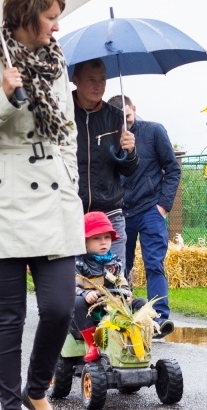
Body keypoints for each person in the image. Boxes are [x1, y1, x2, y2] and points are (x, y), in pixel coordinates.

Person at [0, 0, 85, 410]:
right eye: (51, 17)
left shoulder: (57, 64)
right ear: (28, 16)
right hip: (2, 202)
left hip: (53, 194)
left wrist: (69, 176)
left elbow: (67, 130)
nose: (57, 26)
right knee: (9, 317)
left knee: (60, 307)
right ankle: (12, 403)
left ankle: (36, 388)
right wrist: (4, 97)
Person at [107, 95, 180, 338]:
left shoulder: (154, 131)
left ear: (134, 110)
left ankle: (159, 319)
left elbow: (173, 168)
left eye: (128, 117)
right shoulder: (108, 139)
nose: (125, 123)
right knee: (119, 267)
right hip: (122, 210)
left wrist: (163, 206)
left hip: (151, 208)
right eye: (119, 120)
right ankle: (121, 315)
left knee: (154, 264)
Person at [71, 59, 138, 264]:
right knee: (75, 281)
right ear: (75, 80)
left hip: (109, 215)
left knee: (114, 279)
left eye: (102, 79)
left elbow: (128, 170)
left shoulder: (116, 118)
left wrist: (130, 151)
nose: (98, 85)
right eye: (91, 79)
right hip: (72, 215)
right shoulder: (61, 113)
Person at [73, 211, 146, 362]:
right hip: (89, 307)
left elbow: (120, 279)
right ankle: (93, 344)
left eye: (107, 237)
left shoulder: (114, 261)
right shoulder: (79, 262)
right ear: (84, 241)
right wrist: (85, 294)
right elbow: (72, 284)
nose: (103, 242)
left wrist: (125, 292)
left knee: (141, 304)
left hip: (112, 304)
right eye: (96, 238)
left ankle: (138, 340)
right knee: (76, 303)